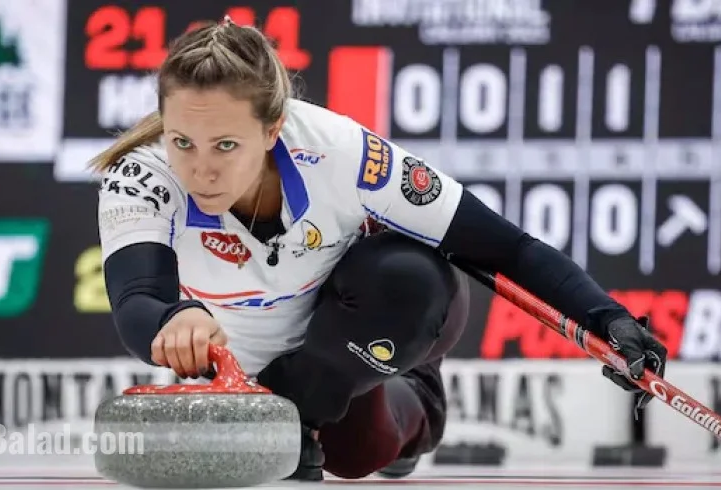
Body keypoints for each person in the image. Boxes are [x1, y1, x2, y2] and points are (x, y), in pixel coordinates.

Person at [90, 18, 668, 481]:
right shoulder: (140, 174)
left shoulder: (338, 150)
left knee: (398, 315)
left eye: (225, 145)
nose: (200, 169)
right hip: (258, 368)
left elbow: (505, 248)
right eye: (182, 141)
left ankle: (407, 395)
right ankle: (297, 418)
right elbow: (138, 299)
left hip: (352, 326)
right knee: (341, 450)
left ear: (272, 131)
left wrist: (606, 317)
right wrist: (175, 318)